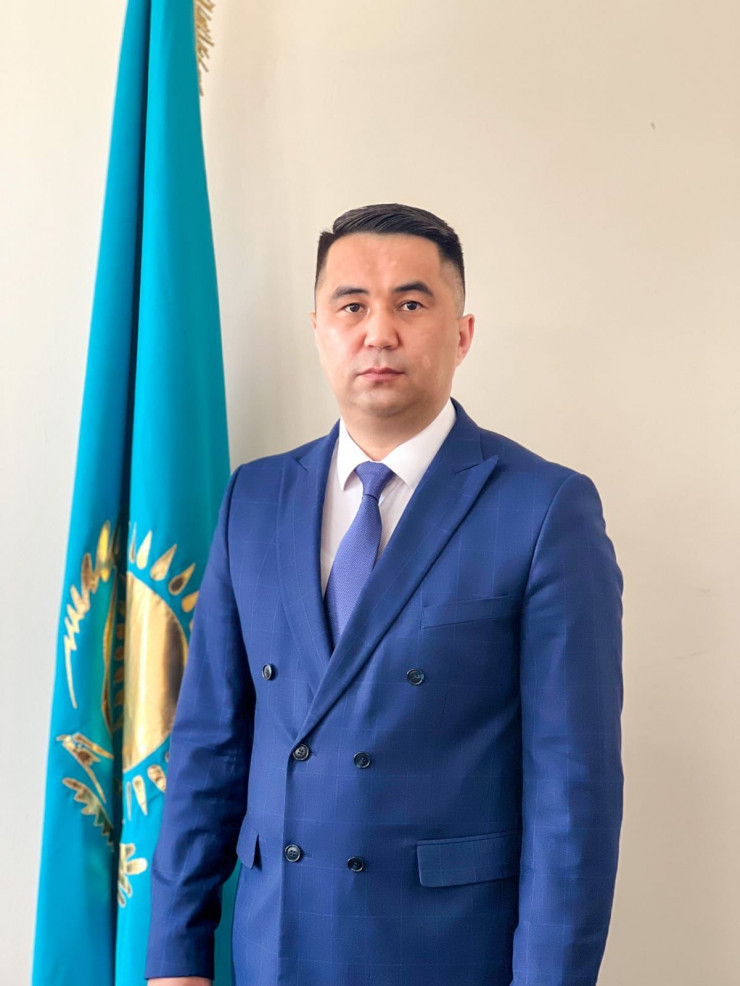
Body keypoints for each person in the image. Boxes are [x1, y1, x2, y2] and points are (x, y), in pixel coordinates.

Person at [145, 203, 624, 986]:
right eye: (352, 306)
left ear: (461, 334)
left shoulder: (543, 509)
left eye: (410, 303)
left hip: (446, 952)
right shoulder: (253, 499)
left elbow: (573, 789)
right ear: (318, 329)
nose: (378, 332)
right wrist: (174, 960)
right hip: (273, 948)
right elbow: (208, 748)